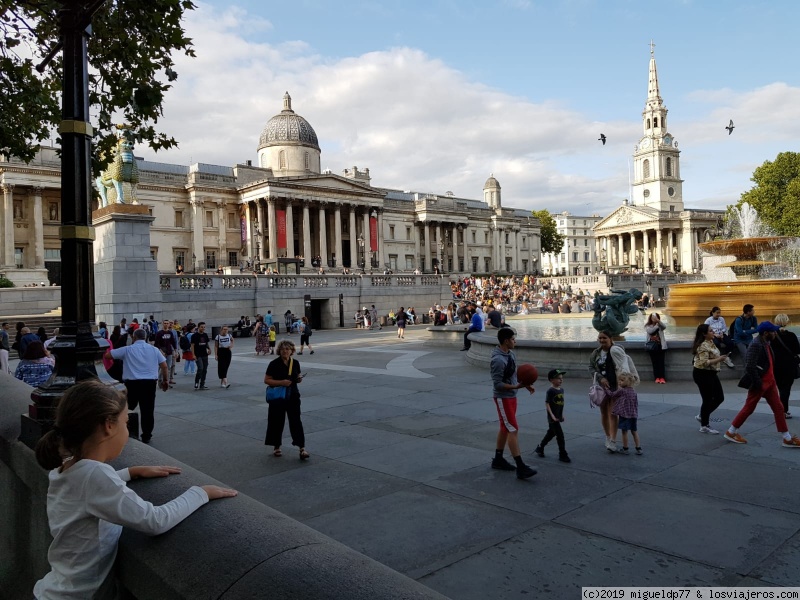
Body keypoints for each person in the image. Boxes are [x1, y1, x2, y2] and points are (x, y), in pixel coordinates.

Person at [32, 380, 237, 599]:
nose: (127, 430)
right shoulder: (95, 475)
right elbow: (155, 521)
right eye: (126, 422)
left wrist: (130, 472)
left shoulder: (65, 469)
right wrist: (201, 493)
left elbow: (85, 491)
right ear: (108, 425)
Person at [724, 322, 800, 448]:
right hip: (761, 383)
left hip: (770, 382)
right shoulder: (756, 345)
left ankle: (786, 438)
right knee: (749, 407)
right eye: (773, 331)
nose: (775, 333)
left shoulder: (766, 342)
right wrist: (758, 383)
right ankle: (731, 431)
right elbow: (750, 366)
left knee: (779, 408)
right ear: (766, 333)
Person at [106, 329, 169, 444]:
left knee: (127, 408)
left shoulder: (127, 350)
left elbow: (108, 355)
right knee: (148, 410)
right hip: (149, 384)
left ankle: (125, 430)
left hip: (132, 384)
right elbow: (164, 366)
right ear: (145, 337)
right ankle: (146, 435)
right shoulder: (154, 350)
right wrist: (165, 380)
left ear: (133, 337)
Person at [489, 328, 537, 479]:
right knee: (513, 429)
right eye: (513, 339)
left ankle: (498, 459)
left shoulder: (511, 354)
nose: (515, 341)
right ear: (505, 341)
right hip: (503, 398)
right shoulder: (497, 360)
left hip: (511, 396)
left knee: (505, 428)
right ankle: (520, 467)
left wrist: (524, 383)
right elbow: (497, 384)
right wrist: (515, 387)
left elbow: (513, 374)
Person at [589, 331, 639, 453]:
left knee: (612, 413)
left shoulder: (615, 351)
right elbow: (591, 367)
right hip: (602, 387)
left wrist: (622, 385)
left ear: (610, 338)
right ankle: (607, 436)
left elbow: (622, 367)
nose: (601, 340)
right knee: (603, 412)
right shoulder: (596, 353)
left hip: (615, 386)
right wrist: (601, 378)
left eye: (604, 338)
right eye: (600, 338)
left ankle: (612, 439)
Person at [264, 340, 309, 460]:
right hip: (278, 397)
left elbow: (297, 377)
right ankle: (276, 446)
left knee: (296, 421)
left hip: (293, 396)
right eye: (283, 349)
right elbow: (267, 380)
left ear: (292, 351)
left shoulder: (295, 363)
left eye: (288, 349)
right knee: (276, 422)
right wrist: (281, 382)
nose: (285, 351)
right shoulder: (273, 364)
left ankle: (302, 448)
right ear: (279, 351)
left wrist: (299, 379)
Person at [691, 323, 728, 434]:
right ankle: (704, 425)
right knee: (707, 399)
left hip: (711, 373)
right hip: (702, 374)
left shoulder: (710, 342)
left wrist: (721, 358)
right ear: (704, 334)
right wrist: (719, 359)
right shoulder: (703, 345)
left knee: (719, 397)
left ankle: (702, 416)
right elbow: (703, 363)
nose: (713, 332)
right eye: (711, 331)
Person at [534, 369, 570, 463]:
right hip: (552, 418)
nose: (561, 380)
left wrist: (561, 415)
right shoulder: (550, 391)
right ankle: (562, 454)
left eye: (561, 378)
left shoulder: (561, 390)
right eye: (558, 378)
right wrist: (552, 416)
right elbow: (547, 403)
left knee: (551, 433)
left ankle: (540, 447)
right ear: (551, 380)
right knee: (560, 436)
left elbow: (561, 404)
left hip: (558, 416)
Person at [770, 314, 800, 419]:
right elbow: (797, 350)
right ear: (786, 322)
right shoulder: (791, 335)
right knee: (786, 389)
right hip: (789, 366)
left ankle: (780, 410)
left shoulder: (772, 336)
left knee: (780, 388)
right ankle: (783, 411)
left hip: (776, 366)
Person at [605, 372, 642, 455]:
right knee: (634, 431)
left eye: (622, 380)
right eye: (619, 380)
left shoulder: (622, 391)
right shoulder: (633, 391)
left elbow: (612, 395)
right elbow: (636, 403)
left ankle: (625, 448)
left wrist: (606, 389)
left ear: (628, 382)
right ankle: (638, 448)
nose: (619, 382)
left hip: (624, 414)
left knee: (624, 432)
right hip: (633, 415)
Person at [644, 312, 668, 384]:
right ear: (650, 318)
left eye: (656, 317)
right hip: (652, 347)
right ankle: (657, 377)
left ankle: (662, 378)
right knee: (655, 363)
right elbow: (650, 331)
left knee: (661, 363)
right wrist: (657, 325)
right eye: (652, 317)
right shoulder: (648, 326)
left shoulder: (660, 325)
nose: (654, 318)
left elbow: (664, 327)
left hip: (661, 346)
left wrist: (658, 322)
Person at [154, 320, 177, 388]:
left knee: (168, 367)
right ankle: (160, 380)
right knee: (163, 367)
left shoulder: (170, 333)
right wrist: (161, 351)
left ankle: (166, 381)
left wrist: (175, 350)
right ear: (162, 324)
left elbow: (173, 342)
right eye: (165, 323)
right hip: (162, 352)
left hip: (169, 351)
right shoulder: (159, 333)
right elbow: (156, 344)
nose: (166, 324)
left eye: (167, 323)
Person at [191, 322, 211, 390]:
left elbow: (206, 343)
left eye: (204, 327)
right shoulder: (194, 335)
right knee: (200, 368)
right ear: (198, 327)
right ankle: (196, 382)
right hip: (197, 354)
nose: (203, 328)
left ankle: (202, 384)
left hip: (204, 354)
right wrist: (193, 354)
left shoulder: (205, 335)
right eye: (202, 327)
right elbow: (192, 345)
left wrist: (209, 349)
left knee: (205, 370)